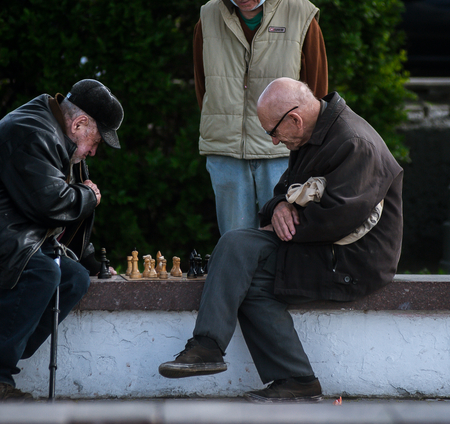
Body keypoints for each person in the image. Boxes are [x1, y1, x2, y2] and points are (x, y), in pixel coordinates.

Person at [159, 78, 403, 402]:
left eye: (273, 132)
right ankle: (289, 378)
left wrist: (282, 220)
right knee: (238, 250)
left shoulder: (354, 142)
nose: (273, 142)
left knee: (242, 258)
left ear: (295, 119)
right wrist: (278, 208)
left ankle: (220, 351)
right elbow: (282, 194)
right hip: (317, 243)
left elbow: (337, 219)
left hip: (352, 260)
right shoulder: (313, 134)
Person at [0, 79, 124, 400]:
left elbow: (62, 217)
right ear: (79, 123)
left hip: (10, 236)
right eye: (96, 141)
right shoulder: (33, 132)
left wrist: (93, 265)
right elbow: (50, 206)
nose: (94, 150)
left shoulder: (58, 137)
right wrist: (88, 196)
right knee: (42, 273)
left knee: (75, 279)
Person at [194, 0, 329, 236]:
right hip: (225, 151)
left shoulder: (301, 14)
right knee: (235, 244)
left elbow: (318, 93)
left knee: (285, 246)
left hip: (284, 154)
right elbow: (203, 86)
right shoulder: (208, 15)